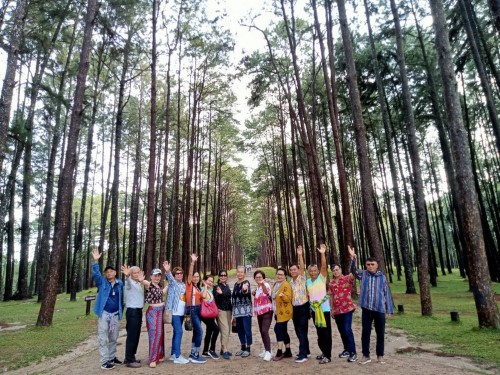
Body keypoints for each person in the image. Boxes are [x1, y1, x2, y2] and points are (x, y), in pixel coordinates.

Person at [349, 246, 394, 365]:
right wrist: (353, 258)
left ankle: (380, 355)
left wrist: (389, 309)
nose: (370, 266)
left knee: (380, 333)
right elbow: (353, 270)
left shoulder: (382, 278)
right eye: (368, 264)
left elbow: (386, 293)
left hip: (379, 309)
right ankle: (366, 355)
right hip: (366, 309)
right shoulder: (363, 275)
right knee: (366, 332)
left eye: (372, 264)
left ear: (377, 265)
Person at [91, 248, 124, 371]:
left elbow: (122, 299)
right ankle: (105, 361)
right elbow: (96, 274)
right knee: (102, 337)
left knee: (113, 338)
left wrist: (121, 311)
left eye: (111, 271)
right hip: (104, 314)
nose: (109, 273)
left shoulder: (120, 284)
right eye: (107, 272)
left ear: (115, 273)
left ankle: (111, 357)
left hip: (115, 315)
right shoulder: (102, 283)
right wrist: (95, 262)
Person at [306, 244, 332, 364]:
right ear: (308, 272)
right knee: (319, 333)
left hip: (324, 310)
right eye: (310, 271)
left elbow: (324, 266)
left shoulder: (321, 278)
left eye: (315, 270)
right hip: (315, 311)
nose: (313, 272)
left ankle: (328, 355)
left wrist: (322, 253)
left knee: (326, 333)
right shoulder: (307, 282)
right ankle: (323, 352)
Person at [328, 261, 357, 363]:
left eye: (337, 269)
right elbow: (331, 296)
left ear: (340, 269)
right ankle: (347, 350)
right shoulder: (331, 283)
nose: (335, 272)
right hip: (337, 310)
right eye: (334, 270)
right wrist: (331, 309)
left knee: (347, 329)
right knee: (342, 331)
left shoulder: (347, 278)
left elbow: (354, 272)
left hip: (347, 309)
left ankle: (353, 352)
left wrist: (353, 259)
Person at [163, 260, 189, 365]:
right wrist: (168, 270)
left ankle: (173, 353)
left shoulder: (183, 285)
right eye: (177, 273)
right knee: (179, 332)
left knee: (176, 332)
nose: (179, 275)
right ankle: (178, 356)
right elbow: (169, 277)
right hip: (174, 313)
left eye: (181, 273)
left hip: (181, 313)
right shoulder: (173, 283)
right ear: (174, 275)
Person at [141, 268, 167, 368]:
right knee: (154, 334)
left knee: (160, 334)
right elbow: (145, 283)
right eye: (155, 275)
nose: (157, 277)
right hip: (153, 312)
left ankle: (159, 355)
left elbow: (163, 292)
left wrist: (169, 285)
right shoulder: (149, 284)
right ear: (151, 276)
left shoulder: (159, 286)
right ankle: (152, 359)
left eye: (158, 275)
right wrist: (141, 280)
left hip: (161, 311)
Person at [289, 245, 310, 363]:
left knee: (302, 330)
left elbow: (302, 267)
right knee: (298, 330)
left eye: (294, 269)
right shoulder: (290, 282)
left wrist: (300, 255)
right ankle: (306, 350)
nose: (293, 271)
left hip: (303, 307)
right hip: (294, 309)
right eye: (291, 270)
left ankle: (303, 355)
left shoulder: (302, 278)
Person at [120, 265, 144, 368]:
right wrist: (127, 276)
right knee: (132, 336)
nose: (137, 274)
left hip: (138, 311)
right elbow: (128, 282)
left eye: (138, 272)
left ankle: (130, 357)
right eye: (134, 272)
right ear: (130, 274)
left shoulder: (138, 283)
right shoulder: (129, 282)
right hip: (132, 312)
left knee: (136, 335)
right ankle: (129, 360)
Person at [185, 254, 207, 364]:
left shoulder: (197, 287)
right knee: (199, 331)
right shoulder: (189, 284)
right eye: (194, 276)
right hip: (192, 310)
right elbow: (189, 274)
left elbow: (203, 297)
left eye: (198, 276)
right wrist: (192, 262)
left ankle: (192, 352)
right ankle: (196, 354)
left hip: (198, 310)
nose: (196, 278)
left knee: (196, 332)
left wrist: (206, 286)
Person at [271, 268, 293, 361]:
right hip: (277, 312)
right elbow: (272, 296)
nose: (279, 276)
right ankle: (288, 351)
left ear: (285, 276)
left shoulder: (286, 285)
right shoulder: (276, 284)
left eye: (281, 275)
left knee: (278, 329)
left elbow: (288, 298)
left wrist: (282, 296)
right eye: (278, 274)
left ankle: (279, 352)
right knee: (283, 330)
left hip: (284, 312)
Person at [252, 270, 273, 361]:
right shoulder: (257, 288)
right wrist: (254, 292)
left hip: (267, 311)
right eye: (256, 277)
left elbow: (266, 293)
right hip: (259, 313)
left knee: (265, 331)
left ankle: (268, 352)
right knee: (261, 331)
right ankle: (266, 350)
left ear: (263, 278)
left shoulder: (266, 285)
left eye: (260, 277)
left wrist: (263, 284)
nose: (258, 279)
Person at [232, 265, 253, 357]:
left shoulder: (246, 282)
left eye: (241, 272)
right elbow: (234, 299)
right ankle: (242, 347)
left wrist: (244, 289)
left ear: (245, 273)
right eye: (238, 271)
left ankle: (248, 348)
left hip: (246, 311)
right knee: (240, 330)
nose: (239, 273)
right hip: (237, 312)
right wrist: (234, 314)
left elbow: (245, 291)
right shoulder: (236, 284)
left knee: (247, 329)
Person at [201, 274, 220, 360]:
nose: (210, 282)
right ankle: (212, 349)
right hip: (206, 315)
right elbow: (204, 296)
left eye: (211, 281)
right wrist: (205, 286)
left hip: (210, 314)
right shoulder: (203, 289)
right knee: (216, 329)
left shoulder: (210, 289)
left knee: (209, 332)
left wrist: (214, 285)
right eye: (209, 280)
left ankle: (205, 351)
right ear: (205, 281)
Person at [214, 269, 232, 359]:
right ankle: (225, 350)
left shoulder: (227, 286)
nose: (223, 277)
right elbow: (216, 298)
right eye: (221, 275)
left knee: (228, 330)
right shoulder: (217, 286)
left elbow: (228, 296)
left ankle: (222, 348)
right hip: (220, 310)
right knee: (224, 330)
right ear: (219, 277)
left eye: (225, 275)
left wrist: (223, 293)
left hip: (229, 310)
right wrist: (221, 294)